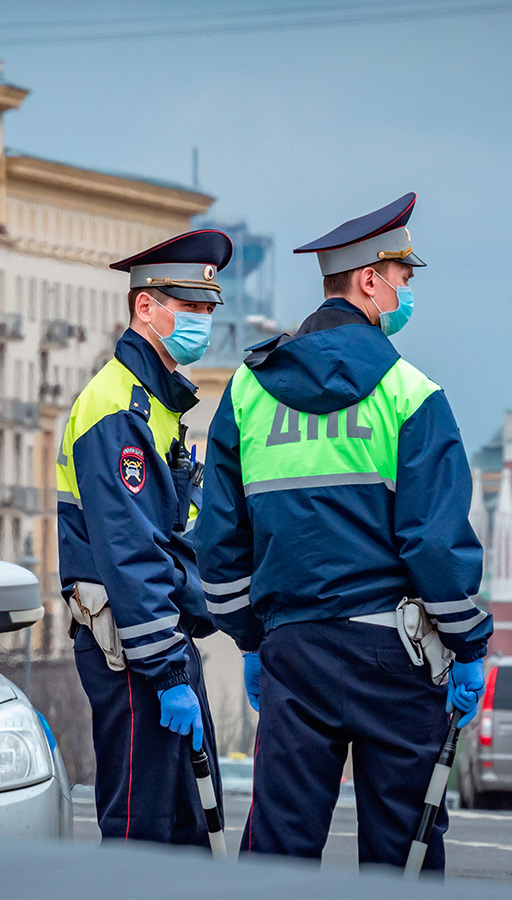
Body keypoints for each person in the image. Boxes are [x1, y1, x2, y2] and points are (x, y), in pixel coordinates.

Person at [193, 194, 491, 871]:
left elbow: (217, 541)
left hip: (294, 650)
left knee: (279, 851)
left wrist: (250, 638)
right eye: (403, 279)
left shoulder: (246, 393)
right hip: (398, 653)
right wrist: (468, 641)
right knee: (402, 856)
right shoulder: (412, 394)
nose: (406, 293)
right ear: (368, 281)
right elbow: (434, 542)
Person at [57, 229, 232, 846]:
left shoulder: (157, 405)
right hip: (133, 652)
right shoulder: (116, 406)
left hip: (158, 644)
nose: (202, 321)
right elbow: (131, 552)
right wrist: (166, 670)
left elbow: (181, 534)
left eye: (209, 309)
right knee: (141, 834)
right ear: (146, 308)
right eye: (189, 307)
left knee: (184, 830)